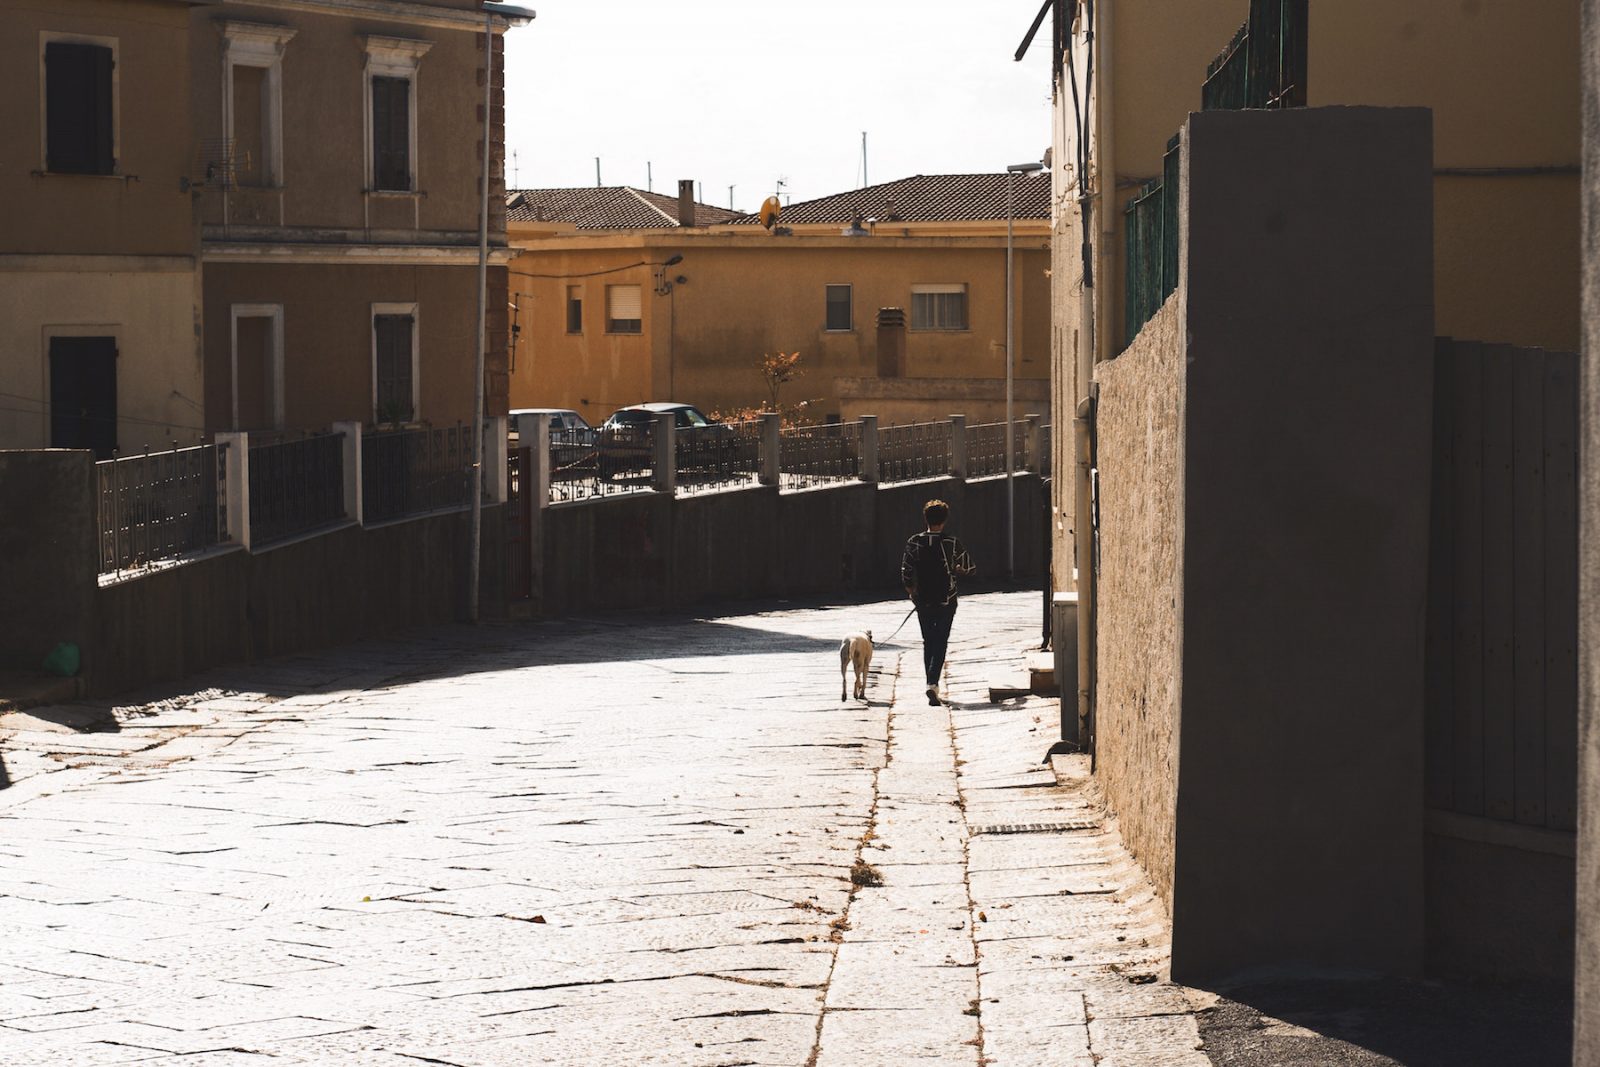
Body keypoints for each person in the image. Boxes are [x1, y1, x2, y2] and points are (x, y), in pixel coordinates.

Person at [900, 498, 975, 706]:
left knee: (928, 642)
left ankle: (930, 683)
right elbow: (970, 566)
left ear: (926, 519)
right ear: (944, 521)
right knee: (940, 641)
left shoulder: (914, 541)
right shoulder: (951, 542)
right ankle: (932, 684)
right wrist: (957, 569)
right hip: (947, 599)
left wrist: (911, 591)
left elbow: (906, 571)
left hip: (922, 600)